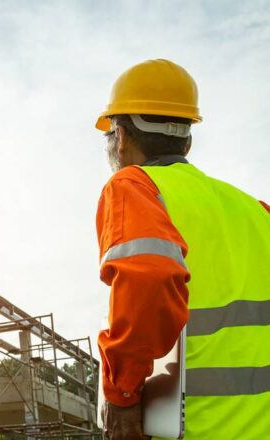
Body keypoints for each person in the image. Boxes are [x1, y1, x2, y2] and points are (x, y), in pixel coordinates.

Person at [94, 59, 269, 439]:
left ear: (120, 138)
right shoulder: (256, 210)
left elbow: (150, 280)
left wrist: (122, 394)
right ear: (187, 140)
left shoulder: (134, 186)